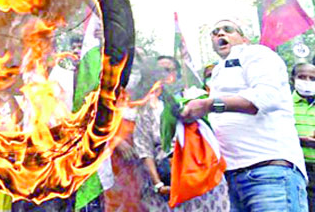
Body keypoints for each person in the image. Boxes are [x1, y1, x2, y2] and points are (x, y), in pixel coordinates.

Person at [181, 19, 308, 211]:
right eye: (215, 32)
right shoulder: (217, 72)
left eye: (228, 29)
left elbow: (267, 97)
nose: (220, 34)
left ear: (244, 38)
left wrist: (209, 104)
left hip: (269, 173)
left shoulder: (257, 53)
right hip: (229, 180)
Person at [133, 57, 229, 211]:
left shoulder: (196, 98)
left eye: (169, 69)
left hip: (204, 180)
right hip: (167, 182)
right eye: (159, 70)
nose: (164, 75)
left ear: (178, 74)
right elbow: (144, 149)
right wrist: (158, 184)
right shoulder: (148, 108)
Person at [290, 62, 315, 210]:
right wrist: (300, 140)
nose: (307, 82)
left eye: (312, 78)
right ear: (292, 79)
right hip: (300, 171)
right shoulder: (284, 105)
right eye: (302, 77)